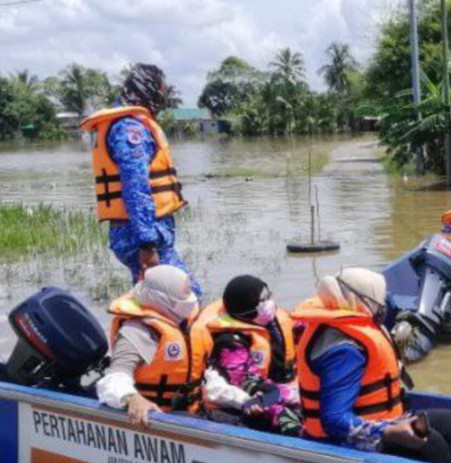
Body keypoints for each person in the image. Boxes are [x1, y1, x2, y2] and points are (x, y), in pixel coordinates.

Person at [293, 268, 451, 463]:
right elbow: (333, 420)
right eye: (377, 300)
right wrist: (387, 432)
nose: (382, 305)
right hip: (340, 439)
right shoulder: (343, 349)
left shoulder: (354, 322)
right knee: (431, 443)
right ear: (358, 299)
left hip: (377, 420)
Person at [81, 64, 200, 296]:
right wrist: (147, 244)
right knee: (188, 295)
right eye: (160, 94)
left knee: (154, 301)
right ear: (147, 90)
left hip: (143, 235)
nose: (162, 101)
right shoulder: (129, 129)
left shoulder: (130, 123)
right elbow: (135, 187)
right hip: (139, 238)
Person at [96, 265, 204, 428]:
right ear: (162, 298)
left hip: (193, 410)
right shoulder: (137, 331)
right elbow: (112, 380)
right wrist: (131, 398)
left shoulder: (183, 322)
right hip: (161, 417)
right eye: (184, 293)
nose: (190, 299)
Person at [192, 275, 302, 433]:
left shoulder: (274, 321)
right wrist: (289, 395)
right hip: (255, 399)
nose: (270, 303)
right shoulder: (230, 343)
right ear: (248, 308)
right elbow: (244, 380)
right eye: (264, 299)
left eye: (269, 295)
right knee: (289, 421)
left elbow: (304, 330)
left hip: (286, 386)